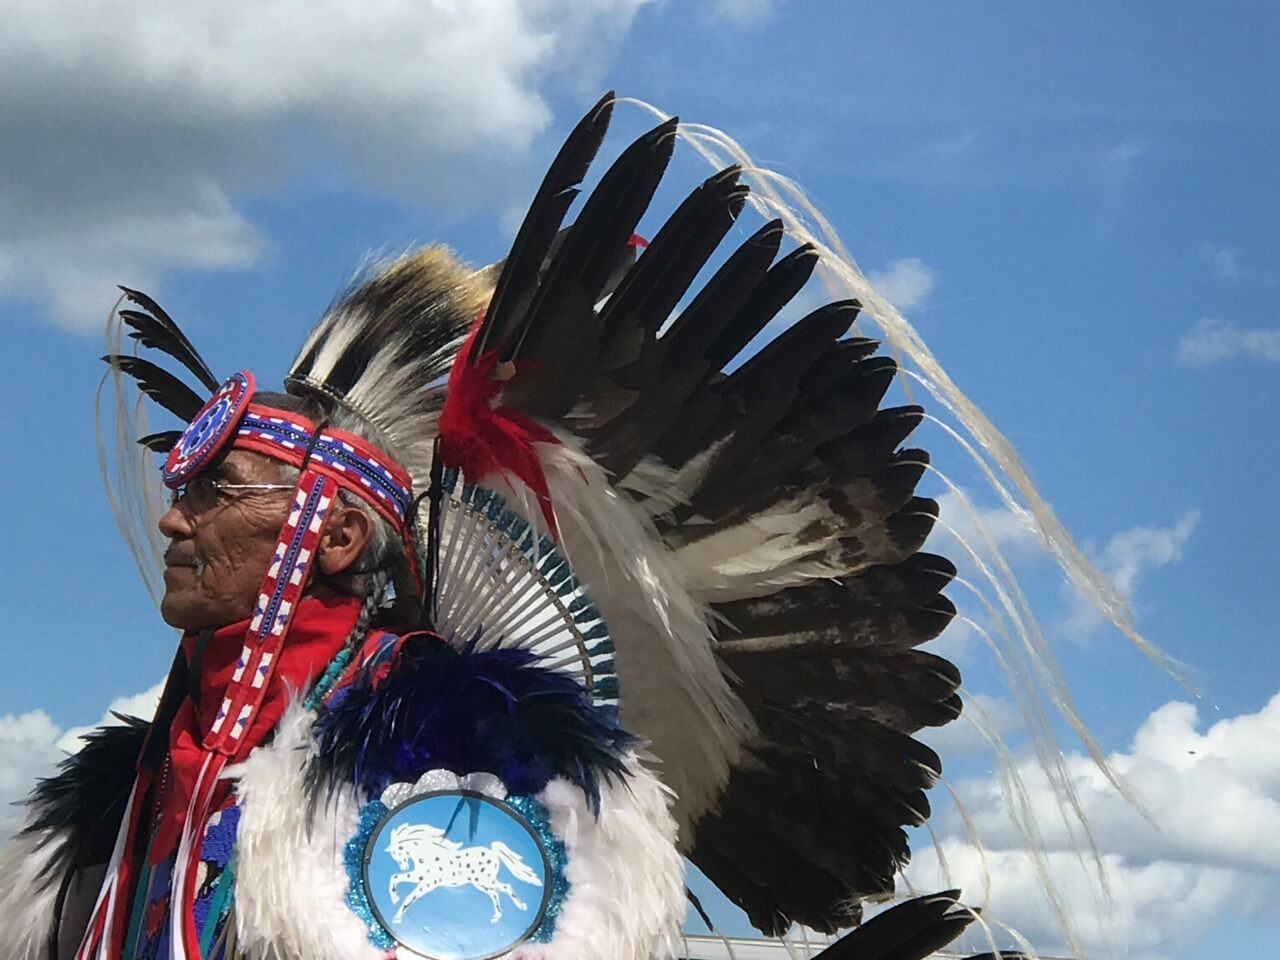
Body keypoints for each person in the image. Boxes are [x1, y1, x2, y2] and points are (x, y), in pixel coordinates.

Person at [0, 93, 1058, 960]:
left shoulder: (455, 763)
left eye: (215, 490)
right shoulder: (114, 805)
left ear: (333, 541)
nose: (172, 518)